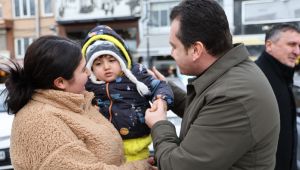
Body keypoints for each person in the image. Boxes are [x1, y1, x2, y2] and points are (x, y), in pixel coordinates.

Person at [145, 0, 280, 169]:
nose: (171, 53)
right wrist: (166, 88)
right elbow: (205, 112)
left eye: (174, 47)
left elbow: (180, 166)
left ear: (196, 50)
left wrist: (159, 125)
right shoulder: (231, 74)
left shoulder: (233, 95)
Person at [4, 35, 152, 169]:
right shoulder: (39, 122)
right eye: (83, 70)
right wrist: (141, 167)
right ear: (60, 82)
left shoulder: (73, 102)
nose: (89, 73)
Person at [81, 25, 174, 162]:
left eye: (112, 60)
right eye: (98, 63)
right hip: (104, 145)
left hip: (137, 141)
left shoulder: (136, 75)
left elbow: (159, 86)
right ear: (90, 67)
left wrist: (161, 100)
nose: (106, 67)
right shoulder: (88, 84)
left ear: (122, 58)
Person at [255, 24, 300, 170]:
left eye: (299, 46)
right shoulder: (256, 79)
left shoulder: (284, 76)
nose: (297, 51)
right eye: (291, 44)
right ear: (269, 45)